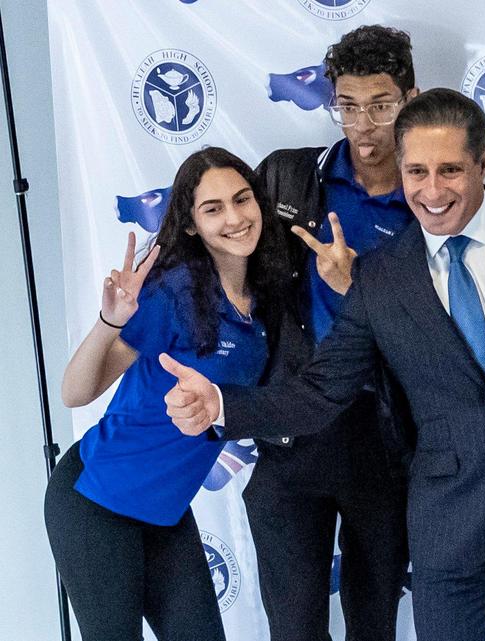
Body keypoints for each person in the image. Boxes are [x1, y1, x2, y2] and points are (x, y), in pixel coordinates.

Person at [158, 88, 485, 641]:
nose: (432, 190)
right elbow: (321, 391)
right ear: (400, 170)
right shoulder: (379, 276)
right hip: (452, 511)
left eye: (450, 169)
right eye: (417, 171)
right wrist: (221, 403)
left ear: (483, 163)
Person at [44, 147, 289, 641]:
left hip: (165, 513)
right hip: (95, 501)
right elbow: (75, 393)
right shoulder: (173, 293)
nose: (235, 218)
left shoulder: (270, 296)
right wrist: (110, 321)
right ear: (193, 224)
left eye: (243, 200)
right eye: (213, 208)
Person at [246, 25, 418, 641]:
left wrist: (358, 291)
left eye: (380, 106)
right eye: (347, 106)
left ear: (410, 98)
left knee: (374, 625)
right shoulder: (287, 178)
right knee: (294, 628)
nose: (363, 124)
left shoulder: (433, 195)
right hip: (294, 428)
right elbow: (215, 247)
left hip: (387, 436)